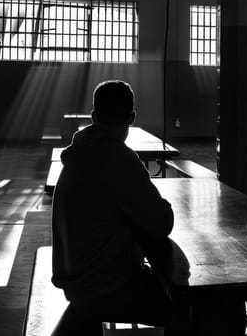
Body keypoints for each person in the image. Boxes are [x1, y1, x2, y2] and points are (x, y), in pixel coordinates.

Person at [51, 80, 181, 335]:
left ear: (93, 117)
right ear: (131, 117)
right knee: (194, 308)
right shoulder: (118, 158)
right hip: (105, 285)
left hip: (75, 279)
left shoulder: (78, 155)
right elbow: (161, 222)